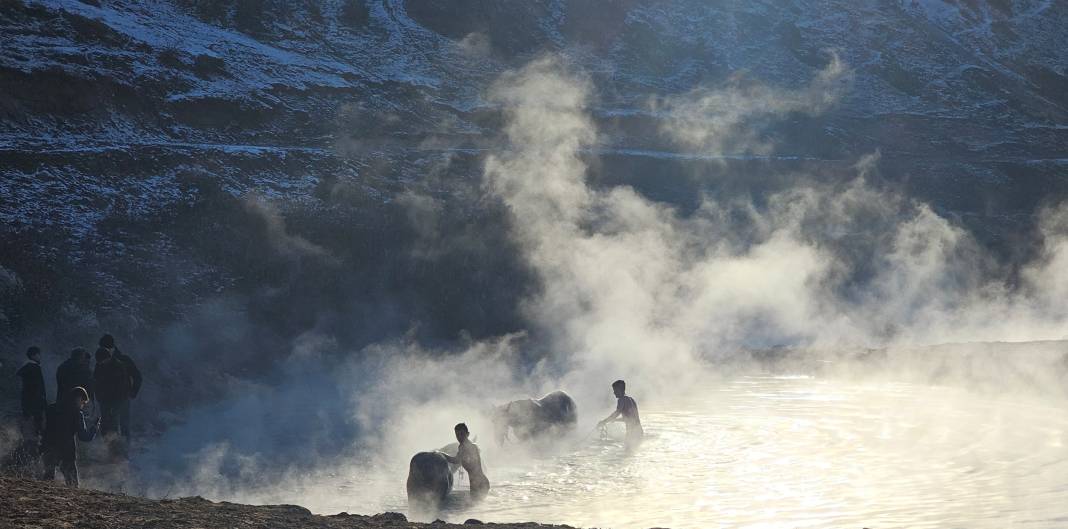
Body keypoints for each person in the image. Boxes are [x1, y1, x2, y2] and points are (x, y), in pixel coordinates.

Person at [40, 386, 99, 487]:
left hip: (48, 447)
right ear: (79, 398)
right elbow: (84, 437)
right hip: (66, 451)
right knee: (72, 485)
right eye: (83, 403)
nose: (83, 406)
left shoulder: (51, 408)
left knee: (47, 481)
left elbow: (43, 427)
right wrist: (94, 428)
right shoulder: (76, 413)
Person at [97, 334, 141, 439]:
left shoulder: (124, 360)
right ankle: (112, 452)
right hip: (106, 399)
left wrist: (132, 392)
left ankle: (123, 453)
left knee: (123, 426)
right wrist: (99, 397)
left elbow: (137, 376)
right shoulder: (100, 362)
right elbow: (96, 381)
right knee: (109, 427)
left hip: (122, 398)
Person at [441, 423, 490, 501]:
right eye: (457, 435)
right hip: (478, 483)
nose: (459, 437)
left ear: (467, 434)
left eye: (462, 434)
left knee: (475, 508)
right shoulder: (467, 446)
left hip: (479, 483)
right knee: (476, 509)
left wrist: (442, 454)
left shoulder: (467, 447)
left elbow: (456, 460)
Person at [92, 346, 132, 441]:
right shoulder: (99, 365)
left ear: (108, 358)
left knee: (122, 424)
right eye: (99, 361)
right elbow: (96, 382)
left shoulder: (118, 366)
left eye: (102, 361)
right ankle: (108, 445)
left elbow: (122, 387)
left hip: (120, 400)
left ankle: (122, 447)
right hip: (104, 399)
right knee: (106, 423)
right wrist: (99, 397)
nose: (100, 363)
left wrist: (115, 405)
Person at [597, 379, 643, 450]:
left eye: (615, 390)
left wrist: (604, 422)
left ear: (620, 389)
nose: (614, 392)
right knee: (631, 455)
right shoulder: (631, 399)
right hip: (639, 431)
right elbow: (630, 419)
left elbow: (616, 413)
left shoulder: (621, 400)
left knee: (626, 455)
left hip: (632, 433)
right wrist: (615, 420)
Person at [16, 346, 47, 437]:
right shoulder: (34, 368)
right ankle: (38, 441)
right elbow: (38, 387)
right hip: (35, 401)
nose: (40, 356)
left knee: (27, 423)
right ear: (33, 355)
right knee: (37, 424)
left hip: (27, 400)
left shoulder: (27, 367)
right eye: (38, 354)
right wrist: (42, 400)